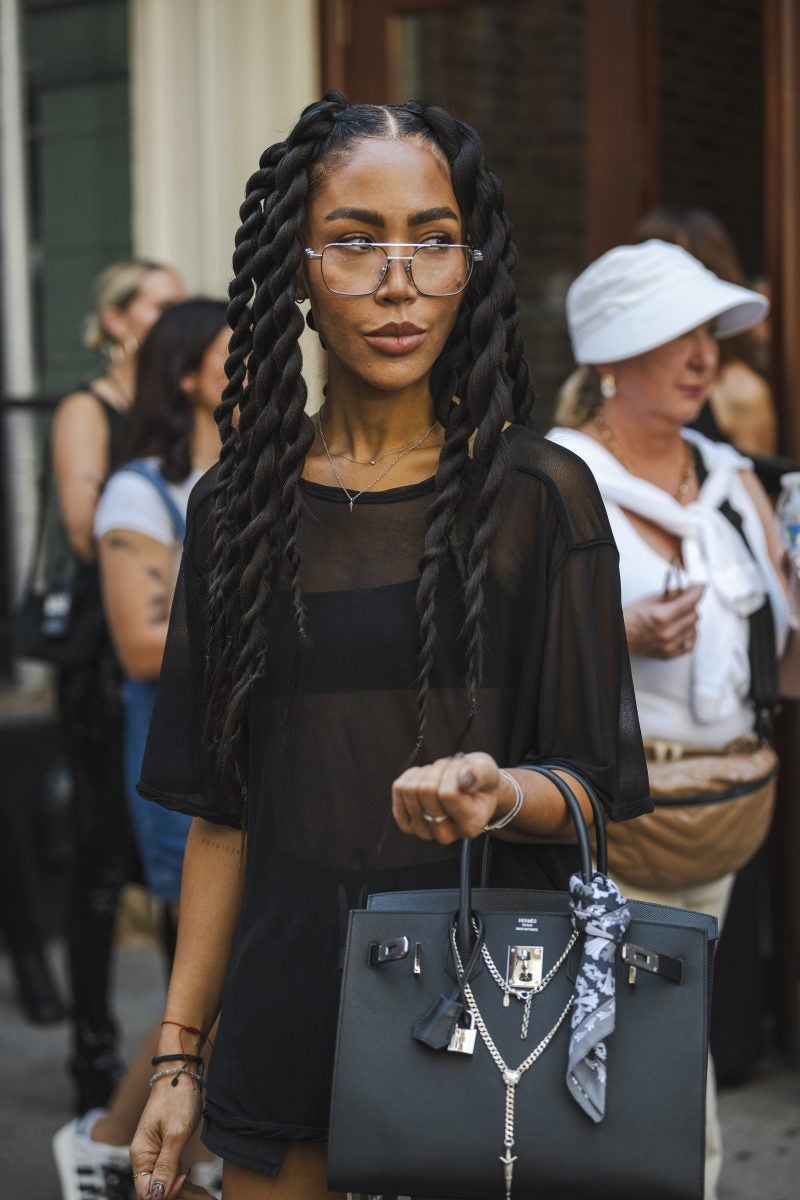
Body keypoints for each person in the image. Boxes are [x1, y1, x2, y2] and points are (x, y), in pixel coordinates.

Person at [129, 93, 649, 1200]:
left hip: (489, 1005)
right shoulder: (234, 511)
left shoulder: (538, 496)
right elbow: (226, 814)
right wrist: (178, 1054)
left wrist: (496, 792)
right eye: (357, 242)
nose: (398, 280)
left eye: (432, 239)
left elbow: (594, 786)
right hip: (286, 1002)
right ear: (300, 269)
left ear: (471, 265)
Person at [548, 238, 800, 1198]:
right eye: (675, 334)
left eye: (709, 334)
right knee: (635, 1041)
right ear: (611, 352)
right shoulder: (555, 477)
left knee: (669, 1030)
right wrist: (620, 633)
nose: (703, 357)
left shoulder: (731, 479)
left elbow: (783, 656)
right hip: (609, 813)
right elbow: (498, 657)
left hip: (720, 811)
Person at [52, 299, 228, 1200]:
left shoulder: (271, 474)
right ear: (189, 375)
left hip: (262, 754)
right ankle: (116, 1142)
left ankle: (149, 1152)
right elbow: (138, 642)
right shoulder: (142, 491)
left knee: (233, 977)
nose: (259, 369)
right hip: (184, 761)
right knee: (212, 981)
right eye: (236, 355)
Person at [51, 259, 184, 1113]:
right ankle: (92, 1055)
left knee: (173, 859)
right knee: (102, 857)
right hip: (106, 661)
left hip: (165, 654)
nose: (171, 319)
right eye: (157, 305)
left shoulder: (174, 408)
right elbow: (83, 528)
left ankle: (181, 1043)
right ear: (115, 321)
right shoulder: (89, 408)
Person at [633, 208, 778, 457]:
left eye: (708, 332)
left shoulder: (740, 391)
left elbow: (754, 477)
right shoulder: (621, 369)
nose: (703, 360)